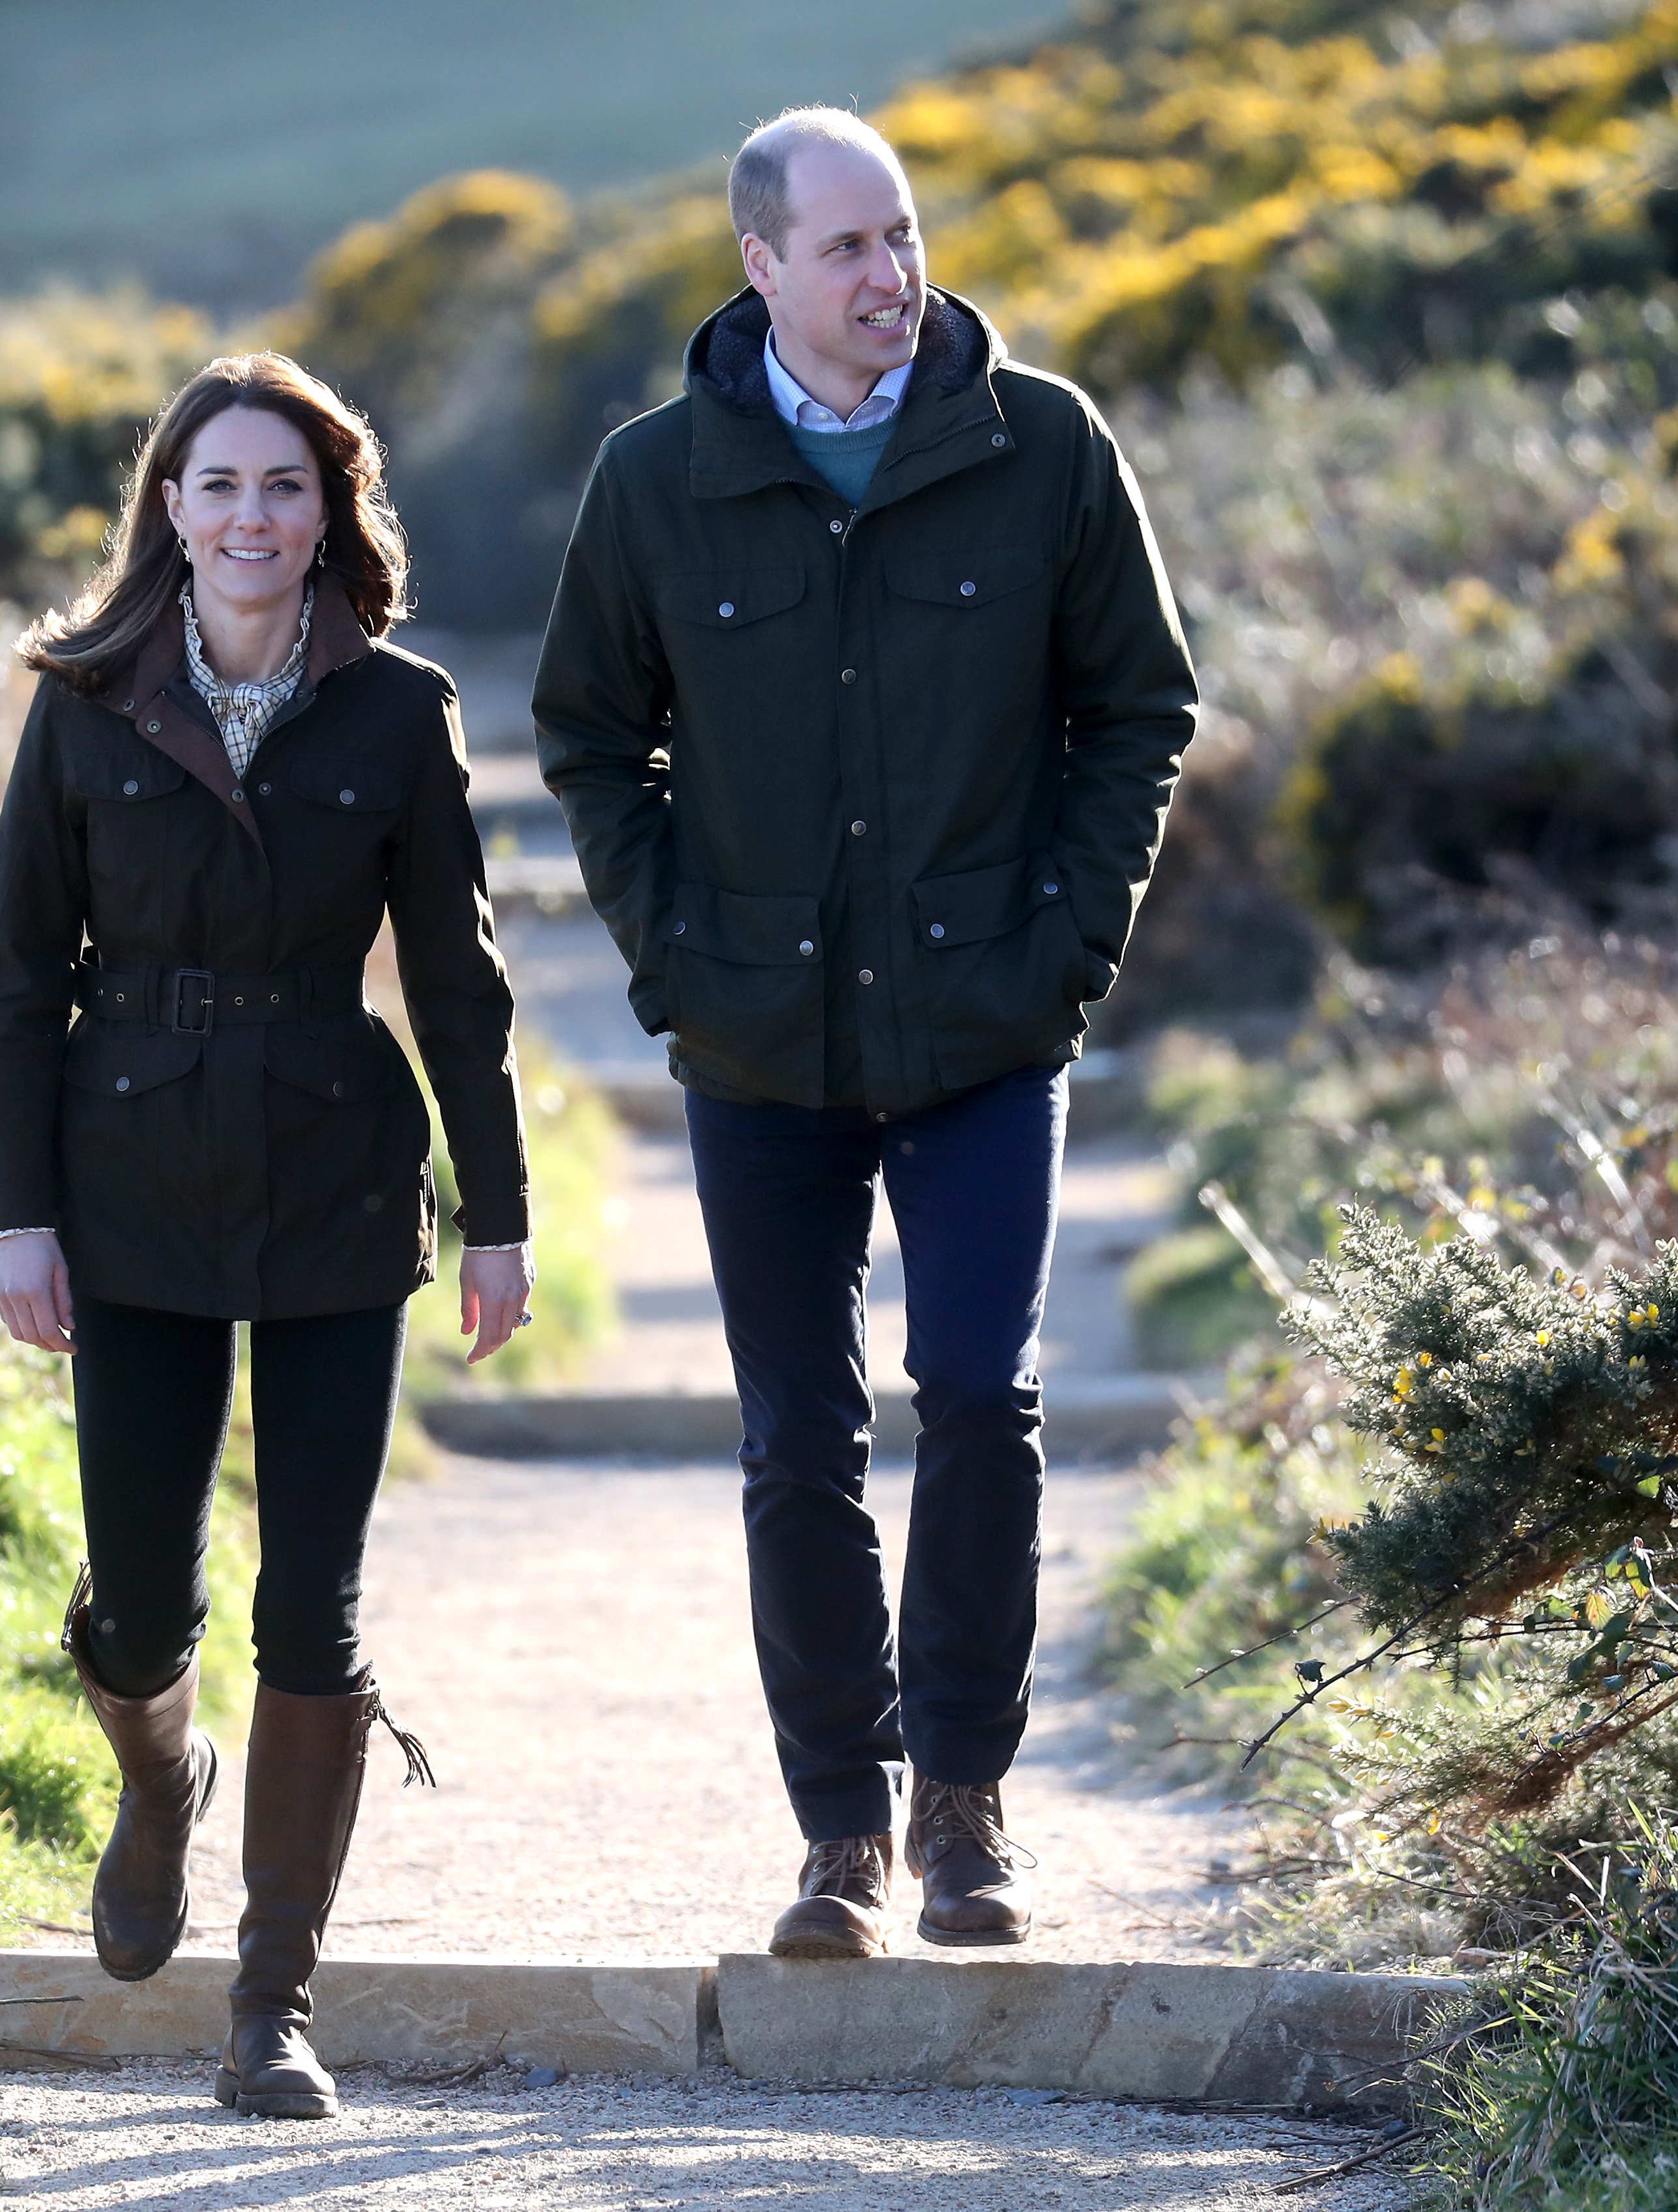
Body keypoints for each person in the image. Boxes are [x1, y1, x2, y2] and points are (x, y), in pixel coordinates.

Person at [534, 108, 1198, 1958]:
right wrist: (678, 956)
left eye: (900, 235)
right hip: (760, 1048)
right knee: (795, 1437)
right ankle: (841, 1831)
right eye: (844, 247)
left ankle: (965, 1805)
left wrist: (1069, 947)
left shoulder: (1043, 444)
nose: (889, 276)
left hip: (990, 1021)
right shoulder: (655, 484)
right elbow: (592, 738)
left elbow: (1140, 706)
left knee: (982, 1396)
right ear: (760, 265)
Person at [0, 354, 535, 2117]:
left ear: (330, 511)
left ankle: (271, 1998)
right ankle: (157, 1775)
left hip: (332, 1183)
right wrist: (17, 1213)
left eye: (282, 486)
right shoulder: (84, 701)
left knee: (315, 1598)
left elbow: (455, 982)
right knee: (140, 1603)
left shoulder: (398, 710)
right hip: (125, 1176)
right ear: (168, 509)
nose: (248, 518)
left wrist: (499, 1214)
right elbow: (12, 971)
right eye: (215, 485)